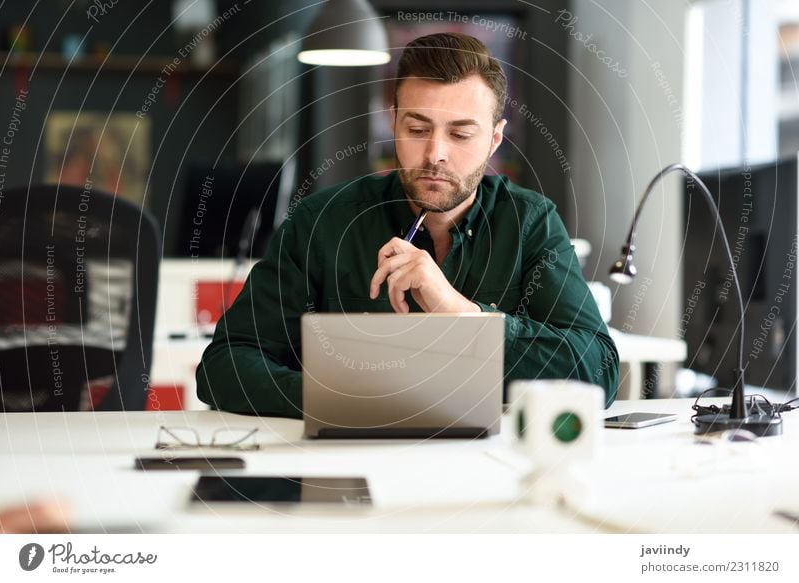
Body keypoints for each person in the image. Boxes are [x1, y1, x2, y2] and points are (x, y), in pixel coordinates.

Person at [196, 32, 618, 416]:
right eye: (417, 128)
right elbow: (224, 365)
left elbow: (598, 367)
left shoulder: (530, 223)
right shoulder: (321, 223)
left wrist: (459, 312)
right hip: (350, 462)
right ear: (394, 123)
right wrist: (335, 396)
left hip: (487, 470)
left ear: (494, 138)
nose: (435, 153)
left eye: (461, 135)